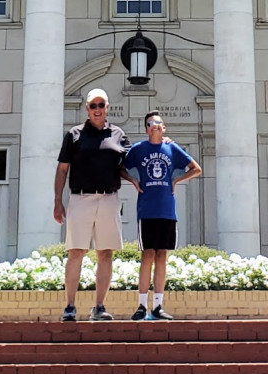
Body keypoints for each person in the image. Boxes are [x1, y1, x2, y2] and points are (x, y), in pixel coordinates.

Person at [54, 88, 131, 322]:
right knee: (76, 251)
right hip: (80, 198)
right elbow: (62, 169)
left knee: (105, 253)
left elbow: (128, 165)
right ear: (86, 109)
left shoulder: (118, 135)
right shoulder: (74, 135)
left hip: (109, 198)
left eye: (101, 105)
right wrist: (58, 201)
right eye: (93, 106)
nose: (97, 109)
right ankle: (69, 306)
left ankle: (99, 306)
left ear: (108, 107)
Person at [123, 110, 201, 320]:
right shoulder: (139, 149)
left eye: (158, 122)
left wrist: (176, 181)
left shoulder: (171, 148)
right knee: (147, 255)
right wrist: (133, 180)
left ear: (164, 127)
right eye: (150, 123)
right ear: (146, 128)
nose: (154, 125)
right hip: (147, 210)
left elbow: (196, 169)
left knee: (162, 256)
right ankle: (141, 305)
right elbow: (121, 168)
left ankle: (158, 305)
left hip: (167, 210)